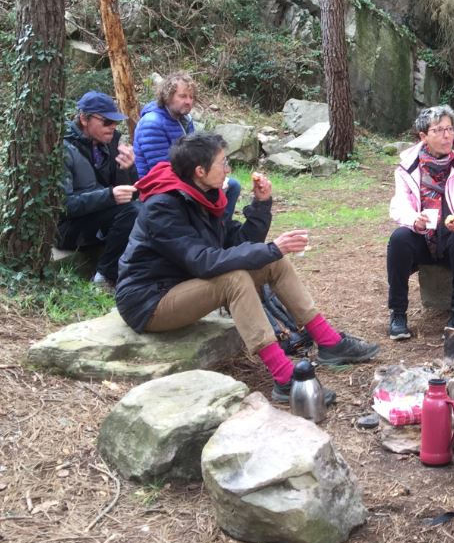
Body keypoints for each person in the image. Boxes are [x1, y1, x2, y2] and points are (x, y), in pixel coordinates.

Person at [116, 132, 379, 403]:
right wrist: (271, 247)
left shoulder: (202, 195)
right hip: (149, 301)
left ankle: (329, 342)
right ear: (200, 170)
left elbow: (237, 241)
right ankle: (284, 379)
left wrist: (261, 206)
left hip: (182, 284)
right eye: (223, 163)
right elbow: (203, 261)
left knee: (273, 261)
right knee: (234, 278)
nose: (228, 169)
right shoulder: (164, 206)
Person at [386, 105, 454, 339]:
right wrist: (413, 219)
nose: (446, 135)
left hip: (453, 240)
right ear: (423, 136)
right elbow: (399, 204)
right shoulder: (408, 165)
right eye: (438, 130)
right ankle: (398, 313)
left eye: (449, 129)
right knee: (399, 239)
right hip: (424, 239)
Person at [133, 72, 242, 219]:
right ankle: (212, 234)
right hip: (157, 187)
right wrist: (200, 182)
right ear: (167, 96)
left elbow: (196, 156)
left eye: (191, 97)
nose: (188, 101)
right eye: (183, 96)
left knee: (231, 185)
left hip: (183, 176)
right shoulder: (152, 123)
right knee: (220, 187)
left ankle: (219, 232)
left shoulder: (184, 119)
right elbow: (160, 169)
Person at [58, 91, 139, 286]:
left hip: (99, 218)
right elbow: (63, 206)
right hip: (69, 228)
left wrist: (127, 169)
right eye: (106, 121)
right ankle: (105, 276)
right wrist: (109, 196)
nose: (112, 127)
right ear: (84, 119)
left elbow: (134, 194)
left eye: (115, 122)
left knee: (145, 209)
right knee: (132, 212)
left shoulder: (108, 143)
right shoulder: (62, 148)